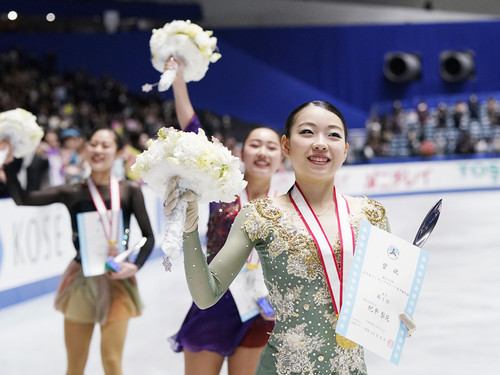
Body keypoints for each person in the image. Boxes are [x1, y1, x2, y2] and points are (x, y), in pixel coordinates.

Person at [165, 100, 416, 374]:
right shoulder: (258, 215)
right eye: (307, 132)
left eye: (333, 135)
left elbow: (384, 295)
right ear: (287, 145)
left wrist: (393, 312)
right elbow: (206, 295)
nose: (320, 143)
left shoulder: (372, 216)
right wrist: (189, 232)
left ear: (345, 150)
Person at [1, 128, 155, 375]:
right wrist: (8, 165)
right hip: (80, 280)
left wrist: (135, 266)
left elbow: (149, 237)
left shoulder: (129, 190)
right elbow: (23, 199)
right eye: (93, 144)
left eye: (106, 145)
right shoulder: (73, 191)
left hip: (116, 281)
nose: (98, 150)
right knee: (75, 365)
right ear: (85, 150)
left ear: (117, 153)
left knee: (112, 362)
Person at [165, 56, 283, 375]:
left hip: (261, 310)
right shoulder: (223, 191)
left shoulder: (286, 206)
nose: (262, 151)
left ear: (281, 159)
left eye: (271, 147)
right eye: (255, 145)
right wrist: (178, 81)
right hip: (214, 301)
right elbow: (194, 132)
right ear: (241, 153)